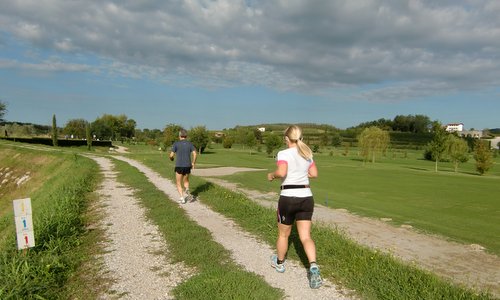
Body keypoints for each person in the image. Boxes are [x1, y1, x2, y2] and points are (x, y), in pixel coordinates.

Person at [267, 125, 322, 289]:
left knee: (284, 235)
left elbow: (282, 172)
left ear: (286, 138)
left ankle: (280, 263)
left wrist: (272, 175)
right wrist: (300, 173)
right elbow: (314, 174)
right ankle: (313, 266)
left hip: (288, 198)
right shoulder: (307, 153)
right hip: (306, 198)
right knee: (305, 236)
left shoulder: (283, 153)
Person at [169, 129, 197, 204]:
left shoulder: (176, 144)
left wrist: (171, 158)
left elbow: (171, 155)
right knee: (186, 181)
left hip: (179, 166)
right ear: (186, 136)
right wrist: (193, 163)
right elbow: (195, 153)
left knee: (178, 183)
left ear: (179, 136)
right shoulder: (190, 144)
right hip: (188, 166)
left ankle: (182, 198)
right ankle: (187, 190)